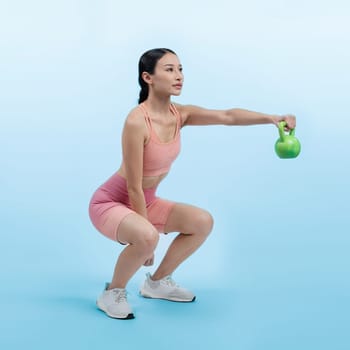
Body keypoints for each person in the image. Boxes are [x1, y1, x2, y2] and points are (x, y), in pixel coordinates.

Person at [88, 48, 296, 320]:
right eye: (169, 69)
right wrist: (146, 239)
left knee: (201, 221)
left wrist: (271, 118)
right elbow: (133, 186)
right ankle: (112, 292)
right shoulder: (137, 120)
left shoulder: (180, 115)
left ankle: (157, 283)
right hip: (111, 202)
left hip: (145, 199)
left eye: (180, 69)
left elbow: (227, 116)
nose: (179, 76)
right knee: (147, 237)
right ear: (148, 77)